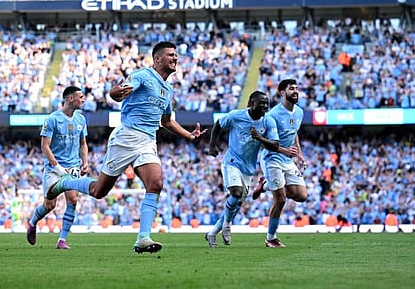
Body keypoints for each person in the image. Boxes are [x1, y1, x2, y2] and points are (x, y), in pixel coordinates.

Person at [47, 41, 206, 253]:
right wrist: (115, 93)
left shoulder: (168, 89)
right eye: (170, 55)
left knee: (156, 183)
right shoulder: (142, 76)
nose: (175, 58)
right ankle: (65, 183)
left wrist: (189, 135)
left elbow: (167, 121)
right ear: (157, 59)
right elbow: (117, 93)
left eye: (176, 55)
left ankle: (143, 237)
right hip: (127, 137)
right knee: (98, 191)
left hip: (148, 141)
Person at [205, 90, 279, 248]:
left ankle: (212, 233)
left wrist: (260, 138)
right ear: (251, 103)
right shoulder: (236, 116)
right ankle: (226, 225)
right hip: (232, 161)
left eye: (267, 103)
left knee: (236, 204)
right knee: (236, 192)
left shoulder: (268, 122)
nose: (265, 106)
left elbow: (275, 145)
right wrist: (212, 145)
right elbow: (218, 124)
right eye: (261, 103)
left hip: (248, 169)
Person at [26, 85, 89, 249]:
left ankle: (62, 239)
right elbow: (44, 146)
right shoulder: (52, 119)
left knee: (73, 199)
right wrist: (58, 167)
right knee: (49, 205)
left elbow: (83, 143)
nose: (83, 100)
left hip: (73, 166)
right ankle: (32, 223)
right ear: (70, 99)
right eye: (80, 97)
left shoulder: (81, 119)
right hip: (54, 169)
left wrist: (85, 161)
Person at [251, 78, 308, 248]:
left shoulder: (299, 112)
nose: (295, 91)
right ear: (282, 93)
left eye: (297, 88)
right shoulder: (273, 115)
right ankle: (271, 238)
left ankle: (266, 185)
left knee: (301, 196)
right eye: (292, 89)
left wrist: (300, 154)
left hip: (288, 159)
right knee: (280, 199)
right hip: (272, 158)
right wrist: (285, 150)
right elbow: (263, 142)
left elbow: (294, 133)